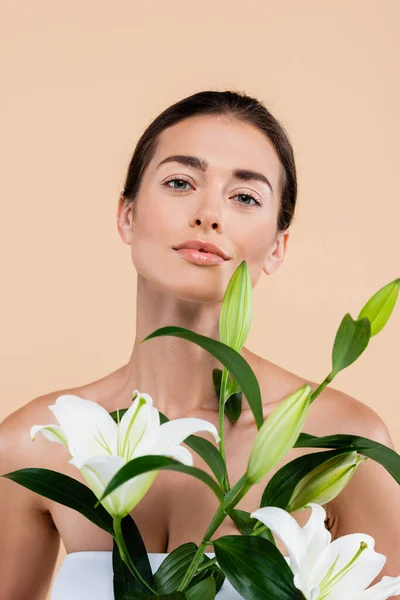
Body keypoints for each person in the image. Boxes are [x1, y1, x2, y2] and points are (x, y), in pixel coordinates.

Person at [0, 90, 399, 599]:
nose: (210, 214)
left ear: (277, 247)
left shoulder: (342, 445)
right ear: (127, 215)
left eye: (245, 197)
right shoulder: (31, 444)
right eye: (179, 182)